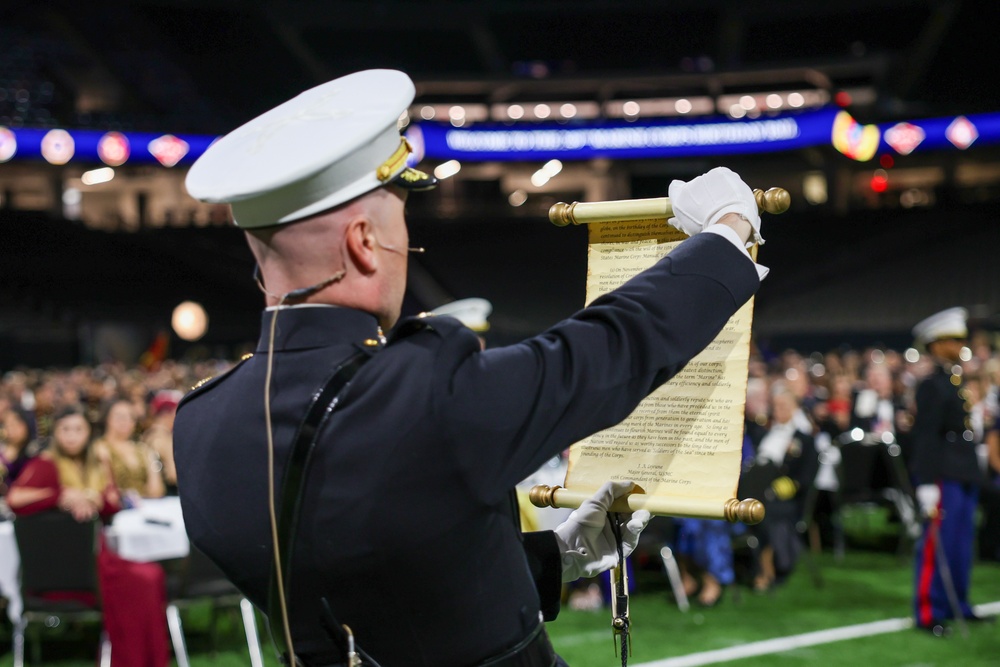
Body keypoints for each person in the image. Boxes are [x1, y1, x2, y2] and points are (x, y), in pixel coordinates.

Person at [174, 69, 766, 667]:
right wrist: (725, 234)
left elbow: (379, 587)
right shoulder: (421, 386)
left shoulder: (198, 425)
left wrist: (554, 557)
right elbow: (605, 350)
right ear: (363, 243)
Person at [8, 406, 170, 667]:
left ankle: (142, 658)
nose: (71, 436)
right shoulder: (45, 465)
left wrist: (93, 499)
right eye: (65, 430)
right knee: (144, 579)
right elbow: (15, 498)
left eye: (78, 430)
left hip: (96, 558)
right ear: (56, 434)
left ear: (88, 433)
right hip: (63, 567)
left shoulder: (95, 463)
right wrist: (59, 496)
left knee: (150, 576)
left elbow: (112, 503)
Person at [910, 307, 986, 636]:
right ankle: (930, 610)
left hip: (963, 471)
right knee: (937, 544)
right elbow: (925, 436)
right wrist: (925, 482)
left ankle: (959, 602)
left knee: (960, 544)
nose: (960, 344)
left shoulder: (955, 381)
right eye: (953, 340)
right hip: (942, 472)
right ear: (936, 344)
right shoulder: (932, 385)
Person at [747, 384, 818, 591]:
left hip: (786, 500)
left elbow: (804, 479)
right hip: (756, 491)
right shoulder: (763, 434)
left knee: (764, 512)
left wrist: (775, 490)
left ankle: (767, 567)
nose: (779, 410)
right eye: (776, 406)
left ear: (795, 407)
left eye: (784, 405)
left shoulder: (803, 440)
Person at [94, 399, 165, 503]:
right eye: (120, 416)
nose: (125, 421)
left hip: (147, 505)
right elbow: (107, 489)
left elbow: (157, 490)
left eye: (130, 417)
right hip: (116, 508)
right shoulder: (99, 447)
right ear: (107, 419)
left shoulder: (143, 449)